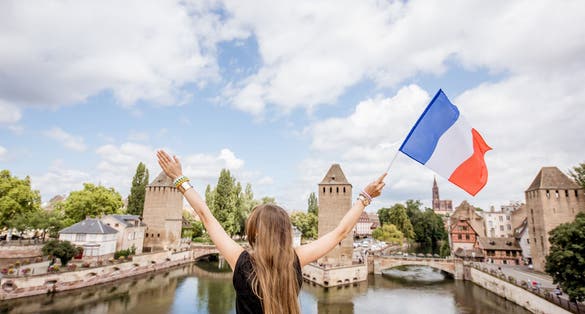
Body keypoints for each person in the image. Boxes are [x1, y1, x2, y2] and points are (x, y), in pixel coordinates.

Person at [156, 150, 386, 314]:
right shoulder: (295, 259)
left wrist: (179, 178)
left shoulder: (241, 261)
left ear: (254, 232)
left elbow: (206, 216)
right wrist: (365, 197)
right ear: (286, 232)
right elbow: (339, 233)